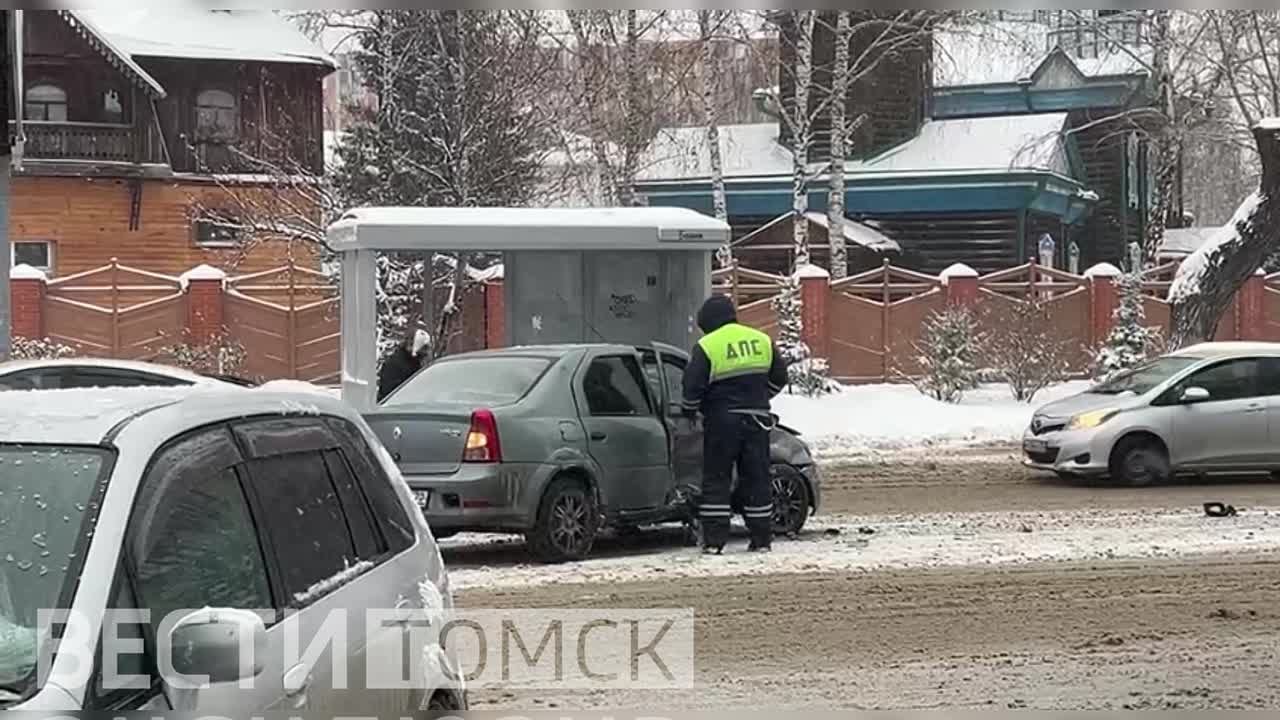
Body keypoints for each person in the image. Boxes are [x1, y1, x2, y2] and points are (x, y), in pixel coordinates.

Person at [681, 294, 789, 554]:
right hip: (757, 421)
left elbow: (692, 385)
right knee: (757, 478)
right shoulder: (761, 339)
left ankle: (715, 542)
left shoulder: (707, 345)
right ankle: (761, 539)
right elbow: (779, 377)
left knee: (717, 478)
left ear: (708, 322)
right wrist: (761, 398)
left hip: (722, 422)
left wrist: (690, 410)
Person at [377, 328, 431, 402]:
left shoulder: (414, 363)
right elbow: (390, 391)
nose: (426, 353)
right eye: (424, 348)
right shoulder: (395, 364)